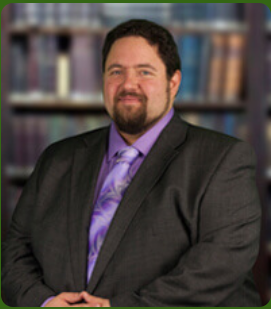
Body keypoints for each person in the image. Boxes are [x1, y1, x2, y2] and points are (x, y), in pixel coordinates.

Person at [2, 19, 262, 307]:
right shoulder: (57, 158)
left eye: (144, 72)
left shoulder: (223, 159)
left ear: (173, 83)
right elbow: (15, 250)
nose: (128, 85)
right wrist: (44, 301)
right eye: (116, 72)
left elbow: (219, 266)